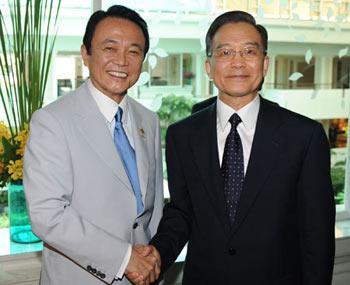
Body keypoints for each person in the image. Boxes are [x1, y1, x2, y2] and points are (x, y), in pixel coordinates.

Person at [147, 10, 335, 285]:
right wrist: (156, 256)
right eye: (225, 53)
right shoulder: (182, 136)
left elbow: (316, 235)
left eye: (249, 51)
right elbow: (182, 212)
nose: (237, 62)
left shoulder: (304, 136)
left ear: (265, 63)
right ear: (209, 66)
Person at [23, 5, 163, 285]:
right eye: (110, 48)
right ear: (86, 54)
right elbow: (47, 215)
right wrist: (125, 258)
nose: (122, 61)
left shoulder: (149, 120)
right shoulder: (52, 121)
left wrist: (150, 260)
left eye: (134, 51)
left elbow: (153, 207)